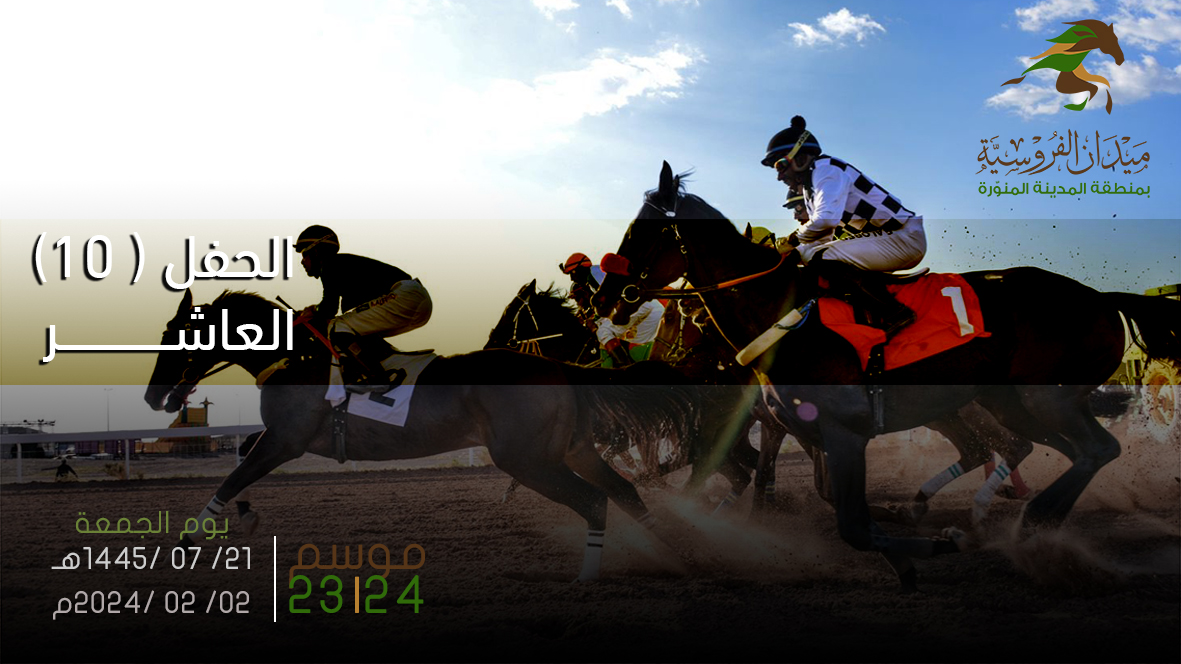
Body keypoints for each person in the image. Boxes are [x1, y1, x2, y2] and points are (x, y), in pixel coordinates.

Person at [762, 115, 926, 338]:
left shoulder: (826, 170)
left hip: (903, 238)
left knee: (819, 257)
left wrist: (792, 241)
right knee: (810, 254)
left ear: (800, 158)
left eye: (780, 165)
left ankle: (895, 312)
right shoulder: (811, 188)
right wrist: (788, 255)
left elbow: (825, 221)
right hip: (888, 237)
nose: (779, 176)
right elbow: (821, 237)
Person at [296, 225, 432, 390]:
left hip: (405, 295)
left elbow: (328, 308)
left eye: (304, 255)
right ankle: (383, 366)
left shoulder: (330, 265)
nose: (302, 262)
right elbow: (340, 314)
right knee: (350, 328)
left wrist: (312, 311)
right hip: (415, 298)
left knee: (338, 326)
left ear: (316, 252)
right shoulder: (345, 268)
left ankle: (377, 378)